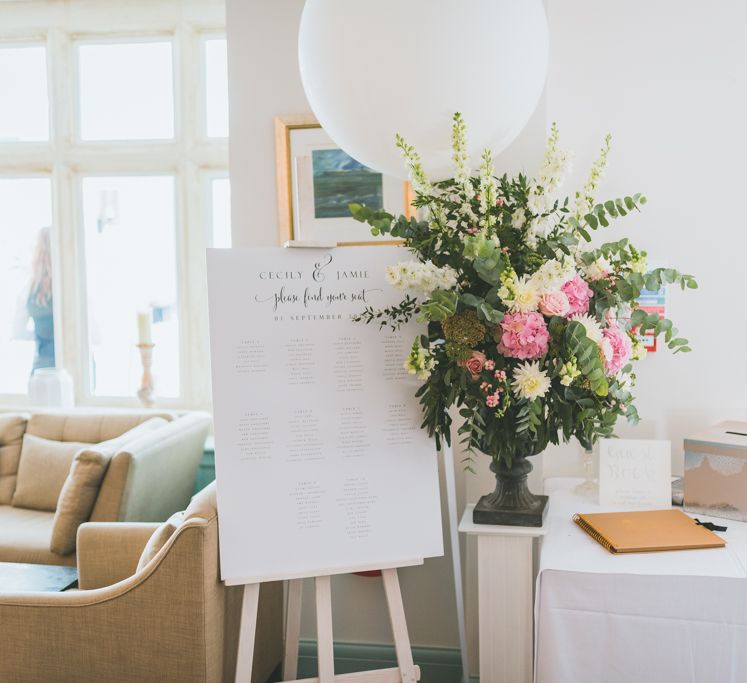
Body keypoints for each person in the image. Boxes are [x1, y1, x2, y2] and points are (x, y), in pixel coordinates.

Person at [26, 226, 55, 372]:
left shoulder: (31, 290)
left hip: (41, 368)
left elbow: (17, 331)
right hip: (74, 369)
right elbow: (96, 335)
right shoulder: (71, 288)